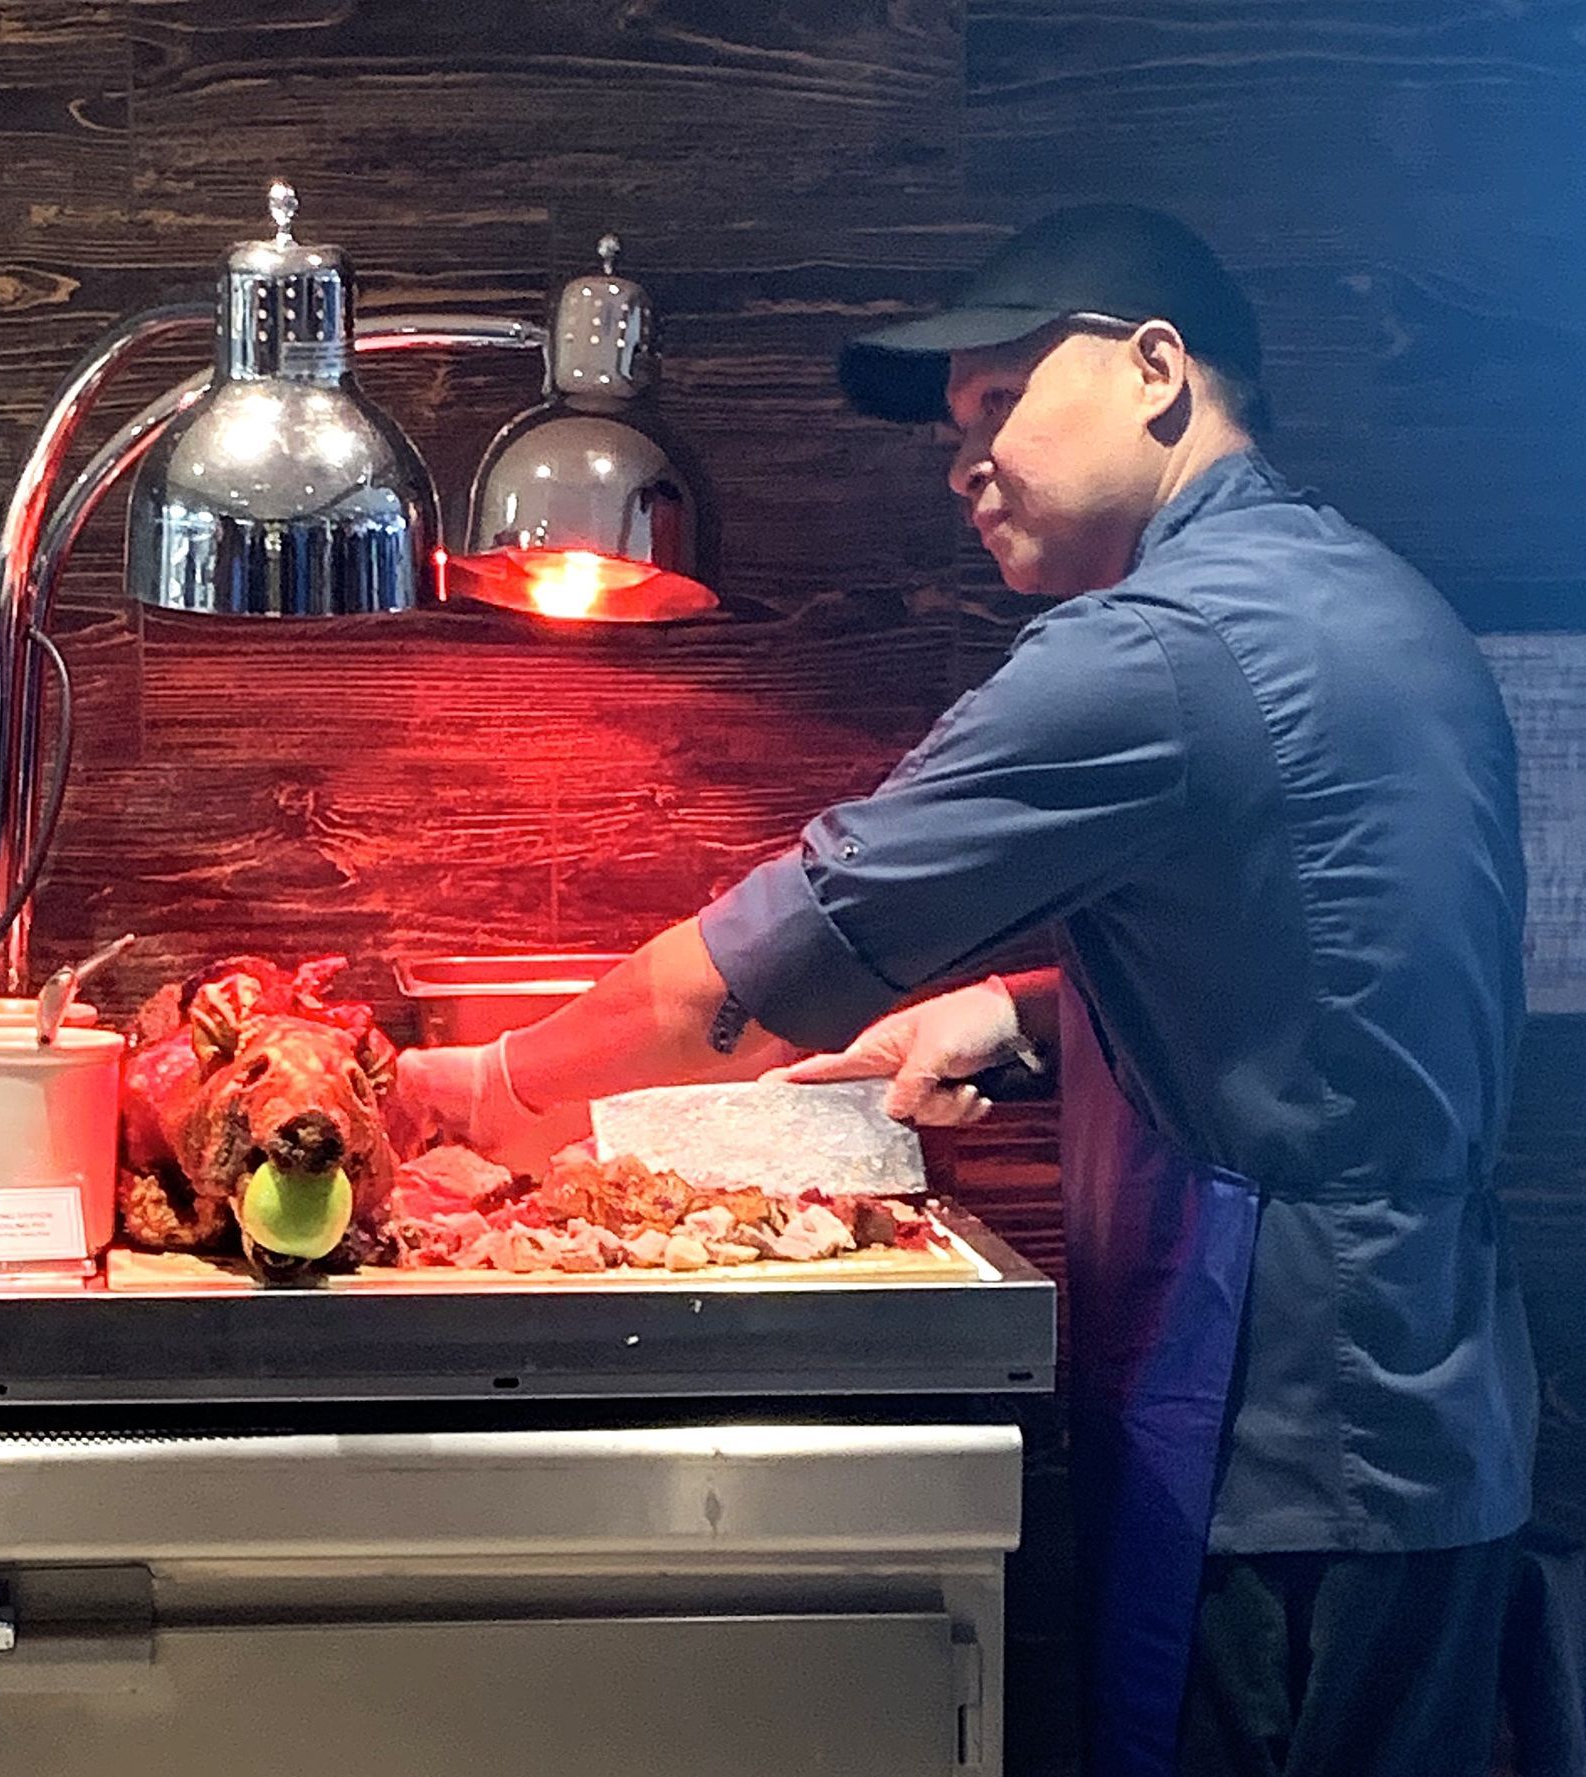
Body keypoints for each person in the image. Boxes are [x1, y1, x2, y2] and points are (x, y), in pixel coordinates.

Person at [395, 205, 1537, 1777]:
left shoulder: (1154, 653)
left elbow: (763, 963)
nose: (962, 460)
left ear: (1156, 371)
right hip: (1438, 1438)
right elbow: (1337, 983)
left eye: (1000, 401)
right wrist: (1011, 1015)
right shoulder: (1376, 605)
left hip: (1279, 1468)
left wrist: (489, 1092)